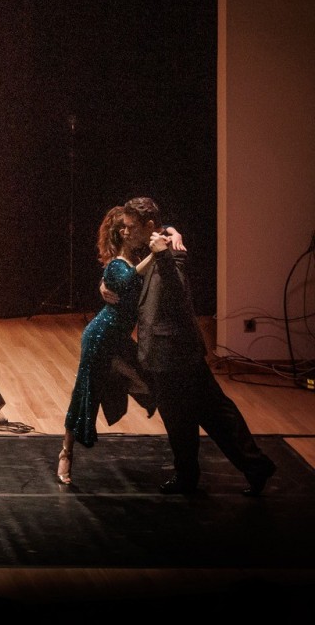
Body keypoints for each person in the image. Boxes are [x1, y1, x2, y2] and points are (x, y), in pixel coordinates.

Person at [112, 197, 276, 496]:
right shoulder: (159, 241)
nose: (125, 232)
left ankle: (196, 474)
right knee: (208, 412)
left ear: (148, 226)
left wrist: (164, 252)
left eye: (130, 227)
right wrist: (170, 232)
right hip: (172, 350)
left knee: (193, 416)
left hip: (173, 352)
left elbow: (176, 291)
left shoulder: (171, 252)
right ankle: (248, 466)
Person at [57, 206, 154, 485]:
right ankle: (66, 453)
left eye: (130, 227)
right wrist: (155, 255)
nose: (127, 230)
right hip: (100, 337)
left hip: (118, 337)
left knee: (146, 377)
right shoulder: (117, 265)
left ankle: (126, 384)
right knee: (85, 394)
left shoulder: (135, 255)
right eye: (123, 228)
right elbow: (127, 279)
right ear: (119, 234)